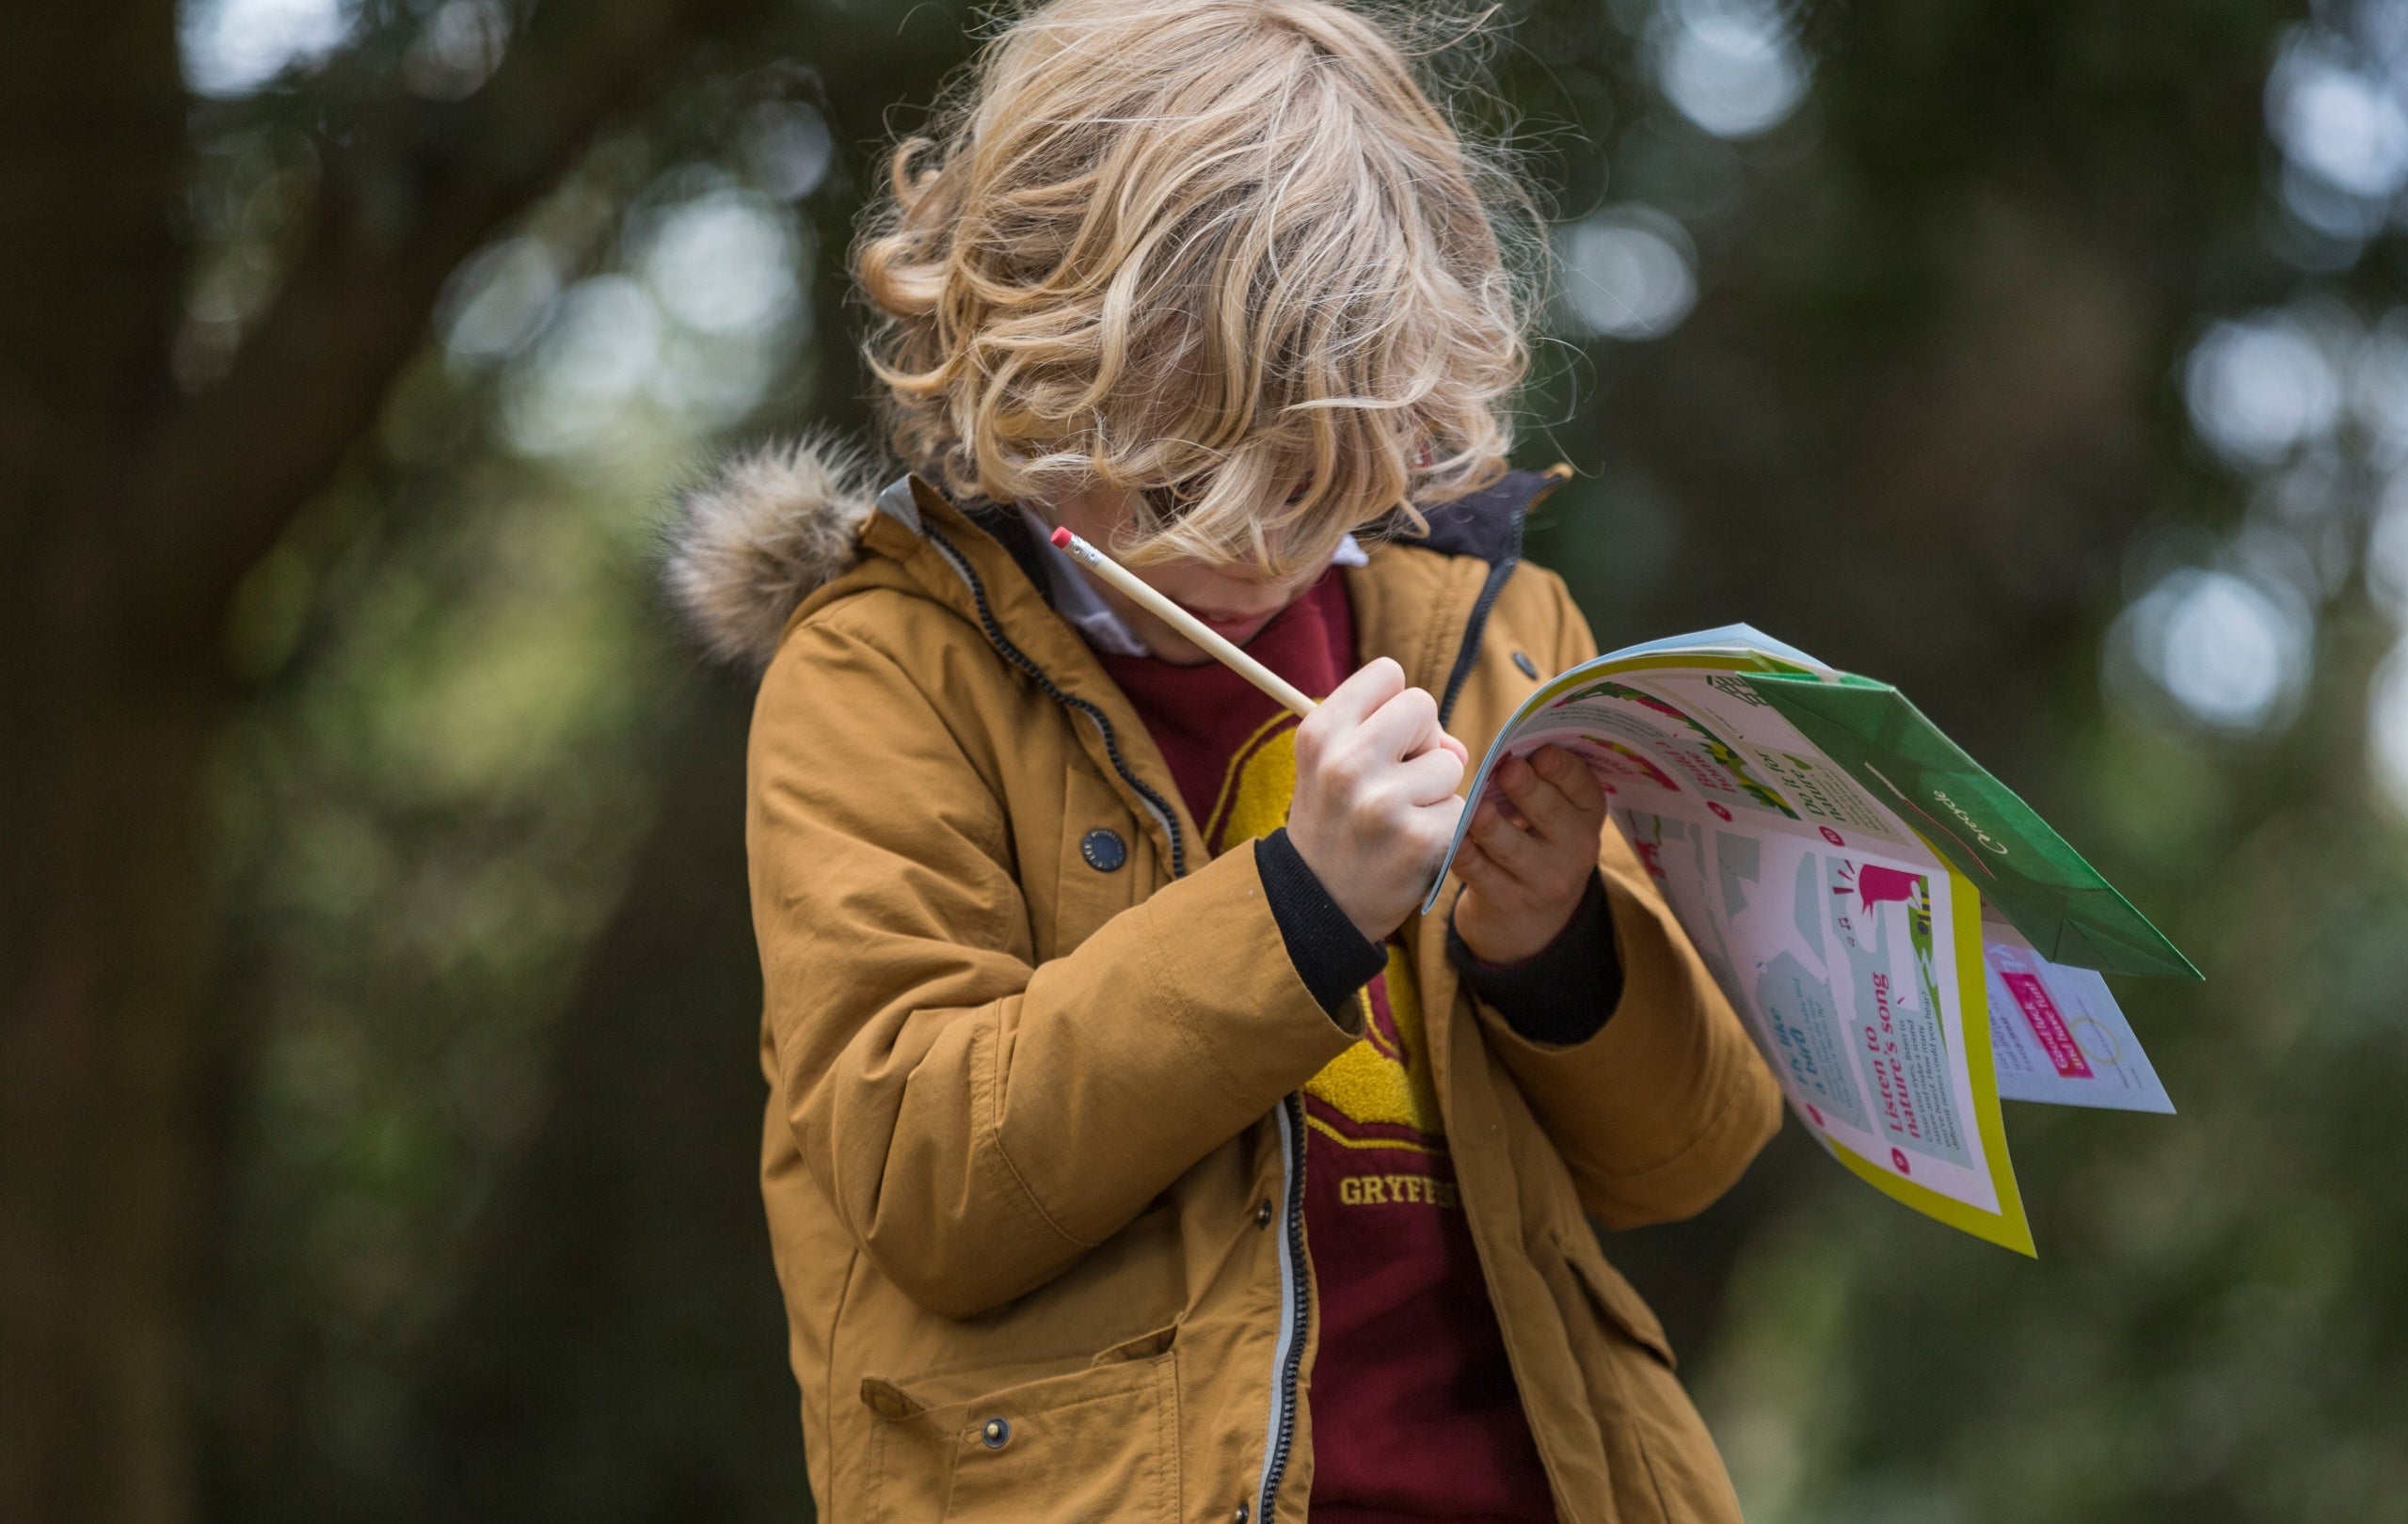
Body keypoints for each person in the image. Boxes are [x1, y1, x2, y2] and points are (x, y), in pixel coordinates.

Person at [663, 1, 1782, 1517]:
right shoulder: (881, 666)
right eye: (1183, 477)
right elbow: (925, 1182)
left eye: (1320, 477)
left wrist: (1561, 952)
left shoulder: (1504, 629)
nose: (1254, 549)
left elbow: (1686, 1158)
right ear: (1027, 367)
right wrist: (1300, 912)